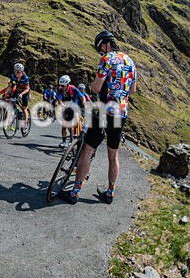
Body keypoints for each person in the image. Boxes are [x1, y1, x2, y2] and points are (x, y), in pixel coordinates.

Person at [63, 30, 137, 204]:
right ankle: (110, 192)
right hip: (120, 113)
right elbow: (132, 90)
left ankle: (75, 192)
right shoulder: (130, 61)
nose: (100, 52)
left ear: (104, 44)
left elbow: (96, 88)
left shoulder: (106, 60)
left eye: (100, 49)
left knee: (87, 151)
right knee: (114, 155)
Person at [55, 75, 90, 147]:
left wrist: (84, 103)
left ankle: (72, 139)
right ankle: (64, 141)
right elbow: (60, 101)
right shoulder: (60, 90)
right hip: (65, 107)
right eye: (61, 85)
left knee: (71, 125)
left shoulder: (73, 88)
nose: (62, 87)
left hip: (74, 106)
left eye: (63, 85)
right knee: (64, 126)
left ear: (68, 84)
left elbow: (82, 97)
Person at [5, 63, 31, 128]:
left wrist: (22, 94)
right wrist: (5, 93)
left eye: (18, 72)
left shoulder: (25, 77)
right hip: (17, 90)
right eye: (15, 71)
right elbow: (9, 86)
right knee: (10, 104)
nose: (16, 73)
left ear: (21, 72)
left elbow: (27, 89)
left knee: (24, 108)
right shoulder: (13, 76)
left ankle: (25, 124)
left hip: (25, 92)